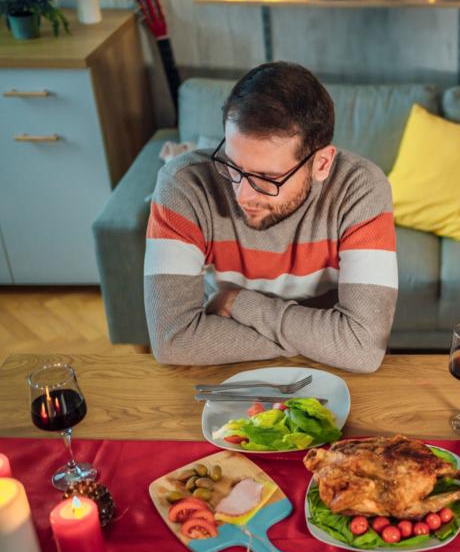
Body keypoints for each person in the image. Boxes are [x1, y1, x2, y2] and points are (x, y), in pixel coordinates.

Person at [144, 62, 397, 372]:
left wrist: (240, 302)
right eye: (233, 166)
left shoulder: (361, 188)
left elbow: (362, 349)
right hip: (227, 365)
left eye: (267, 177)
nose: (242, 195)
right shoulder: (183, 184)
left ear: (321, 163)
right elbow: (173, 341)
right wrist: (326, 341)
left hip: (326, 370)